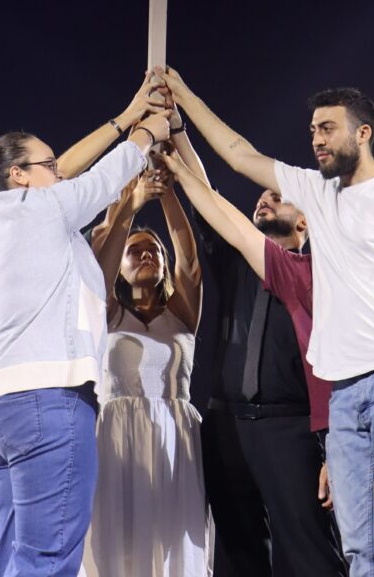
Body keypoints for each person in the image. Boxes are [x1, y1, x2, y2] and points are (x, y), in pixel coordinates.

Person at [156, 70, 374, 576]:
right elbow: (238, 154)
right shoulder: (315, 192)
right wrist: (182, 100)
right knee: (363, 549)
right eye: (313, 130)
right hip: (343, 400)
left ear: (363, 133)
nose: (317, 139)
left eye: (328, 129)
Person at [0, 76, 164, 577]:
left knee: (11, 560)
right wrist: (147, 132)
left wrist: (124, 115)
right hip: (44, 401)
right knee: (46, 563)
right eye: (48, 165)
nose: (62, 170)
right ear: (19, 175)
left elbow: (66, 172)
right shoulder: (45, 210)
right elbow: (103, 177)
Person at [183, 178, 345, 575]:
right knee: (239, 554)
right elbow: (205, 195)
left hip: (291, 429)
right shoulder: (233, 256)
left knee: (310, 552)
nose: (265, 199)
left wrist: (336, 446)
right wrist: (177, 144)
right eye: (263, 195)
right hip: (226, 428)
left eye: (279, 196)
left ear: (304, 223)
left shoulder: (324, 277)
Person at [83, 110, 213, 577]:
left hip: (176, 436)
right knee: (119, 545)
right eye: (134, 251)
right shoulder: (107, 311)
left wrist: (168, 191)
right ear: (120, 266)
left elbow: (189, 259)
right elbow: (104, 249)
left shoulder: (181, 315)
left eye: (152, 251)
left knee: (171, 543)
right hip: (116, 437)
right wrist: (132, 202)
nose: (145, 255)